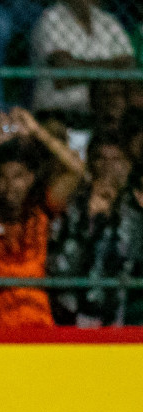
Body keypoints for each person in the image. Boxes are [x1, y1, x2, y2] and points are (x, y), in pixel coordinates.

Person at [0, 109, 84, 326]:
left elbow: (77, 171)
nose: (10, 185)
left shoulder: (40, 211)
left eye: (18, 177)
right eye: (2, 178)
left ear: (30, 179)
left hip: (36, 324)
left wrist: (38, 132)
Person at [48, 131, 135, 326]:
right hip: (65, 312)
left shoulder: (135, 209)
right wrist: (90, 218)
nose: (108, 167)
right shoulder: (71, 203)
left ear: (128, 165)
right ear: (90, 162)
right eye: (101, 159)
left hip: (117, 317)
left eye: (116, 159)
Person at [31, 0, 134, 119]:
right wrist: (112, 67)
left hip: (101, 114)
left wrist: (82, 68)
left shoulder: (108, 21)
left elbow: (129, 65)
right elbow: (64, 74)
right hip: (58, 111)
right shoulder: (51, 19)